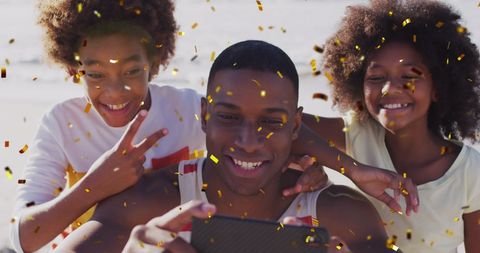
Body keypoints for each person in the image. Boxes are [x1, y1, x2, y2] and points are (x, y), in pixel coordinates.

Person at [11, 1, 418, 252]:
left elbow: (304, 130)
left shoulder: (181, 106)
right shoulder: (71, 136)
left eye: (132, 71)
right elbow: (23, 237)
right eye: (96, 74)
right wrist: (96, 187)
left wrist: (351, 168)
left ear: (154, 62)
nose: (247, 140)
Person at [302, 0, 480, 252]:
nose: (390, 89)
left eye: (409, 76)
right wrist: (351, 169)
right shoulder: (356, 134)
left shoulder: (470, 172)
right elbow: (280, 125)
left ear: (438, 88)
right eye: (376, 77)